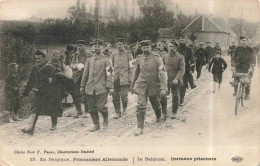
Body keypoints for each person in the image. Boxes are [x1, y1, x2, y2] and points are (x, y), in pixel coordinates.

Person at [21, 50, 75, 135]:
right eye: (36, 59)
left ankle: (54, 124)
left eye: (39, 58)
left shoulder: (50, 67)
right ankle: (31, 128)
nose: (37, 60)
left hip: (49, 92)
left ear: (44, 58)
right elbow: (30, 81)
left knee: (53, 107)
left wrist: (52, 80)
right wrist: (25, 93)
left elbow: (60, 76)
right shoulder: (35, 68)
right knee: (35, 108)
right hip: (37, 91)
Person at [131, 40, 167, 136]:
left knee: (155, 104)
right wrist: (132, 84)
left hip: (154, 85)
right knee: (140, 106)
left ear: (151, 47)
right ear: (141, 48)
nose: (145, 49)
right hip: (141, 85)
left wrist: (163, 87)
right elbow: (136, 72)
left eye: (147, 47)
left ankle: (158, 116)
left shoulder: (157, 58)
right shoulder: (139, 58)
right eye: (143, 47)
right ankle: (140, 127)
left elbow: (162, 73)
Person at [80, 39, 114, 132]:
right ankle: (96, 125)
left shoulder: (107, 60)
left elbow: (110, 74)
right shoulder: (89, 60)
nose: (96, 48)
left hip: (102, 88)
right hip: (90, 88)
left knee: (101, 107)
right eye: (95, 46)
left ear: (102, 47)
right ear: (92, 47)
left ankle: (105, 120)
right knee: (91, 108)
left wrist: (110, 87)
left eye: (99, 46)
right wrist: (82, 86)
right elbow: (85, 74)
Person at [111, 38, 134, 119]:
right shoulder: (114, 54)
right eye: (118, 44)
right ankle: (117, 112)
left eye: (121, 44)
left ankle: (124, 110)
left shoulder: (128, 54)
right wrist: (110, 78)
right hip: (115, 79)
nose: (119, 46)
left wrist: (131, 79)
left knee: (124, 96)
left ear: (123, 44)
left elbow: (131, 67)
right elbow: (111, 67)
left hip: (125, 79)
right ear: (116, 45)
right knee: (115, 96)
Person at [162, 40, 185, 120]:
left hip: (175, 80)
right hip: (166, 80)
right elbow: (162, 68)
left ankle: (174, 112)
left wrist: (177, 78)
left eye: (173, 47)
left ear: (176, 48)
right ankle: (164, 112)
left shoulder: (180, 57)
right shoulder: (164, 56)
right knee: (163, 96)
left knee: (175, 96)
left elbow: (182, 69)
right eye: (170, 46)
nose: (171, 48)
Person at [71, 40, 93, 118]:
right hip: (76, 77)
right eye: (78, 46)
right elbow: (72, 64)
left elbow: (92, 65)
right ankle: (78, 109)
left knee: (86, 93)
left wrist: (84, 66)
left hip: (86, 76)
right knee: (75, 93)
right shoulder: (75, 55)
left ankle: (87, 110)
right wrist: (76, 66)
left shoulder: (89, 55)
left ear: (85, 46)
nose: (80, 47)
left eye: (81, 45)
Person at [231, 35, 256, 100]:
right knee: (236, 78)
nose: (243, 42)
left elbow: (253, 59)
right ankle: (236, 90)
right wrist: (233, 66)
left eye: (245, 40)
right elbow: (233, 58)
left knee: (247, 81)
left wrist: (251, 67)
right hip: (239, 66)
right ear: (240, 41)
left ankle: (247, 93)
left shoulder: (250, 49)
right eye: (242, 40)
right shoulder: (237, 48)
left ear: (247, 41)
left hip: (248, 67)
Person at [177, 37, 196, 106]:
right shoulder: (177, 49)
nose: (182, 42)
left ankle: (181, 100)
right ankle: (177, 98)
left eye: (183, 40)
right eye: (181, 40)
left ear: (185, 41)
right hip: (177, 69)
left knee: (183, 85)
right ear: (179, 41)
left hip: (186, 69)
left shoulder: (188, 49)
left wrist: (191, 69)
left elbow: (192, 59)